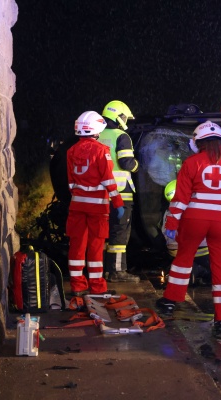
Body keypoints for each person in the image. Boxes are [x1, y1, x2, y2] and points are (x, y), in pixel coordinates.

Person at [155, 121, 221, 342]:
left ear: (197, 142)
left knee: (183, 260)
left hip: (195, 219)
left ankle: (170, 301)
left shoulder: (191, 163)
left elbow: (180, 199)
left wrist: (172, 224)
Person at [66, 111, 125, 296]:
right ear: (97, 129)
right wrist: (117, 201)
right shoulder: (101, 151)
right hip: (98, 207)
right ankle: (97, 287)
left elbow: (70, 182)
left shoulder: (71, 151)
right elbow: (108, 179)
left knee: (76, 245)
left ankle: (77, 286)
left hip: (76, 205)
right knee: (96, 245)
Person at [97, 100, 140, 283]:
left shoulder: (97, 135)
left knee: (103, 233)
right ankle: (117, 271)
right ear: (118, 116)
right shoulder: (122, 136)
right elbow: (127, 163)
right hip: (121, 193)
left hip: (99, 193)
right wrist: (138, 166)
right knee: (120, 232)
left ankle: (102, 270)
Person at [162, 180, 211, 286]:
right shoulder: (196, 208)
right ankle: (197, 269)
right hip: (201, 252)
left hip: (175, 251)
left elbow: (164, 233)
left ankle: (179, 269)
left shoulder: (168, 212)